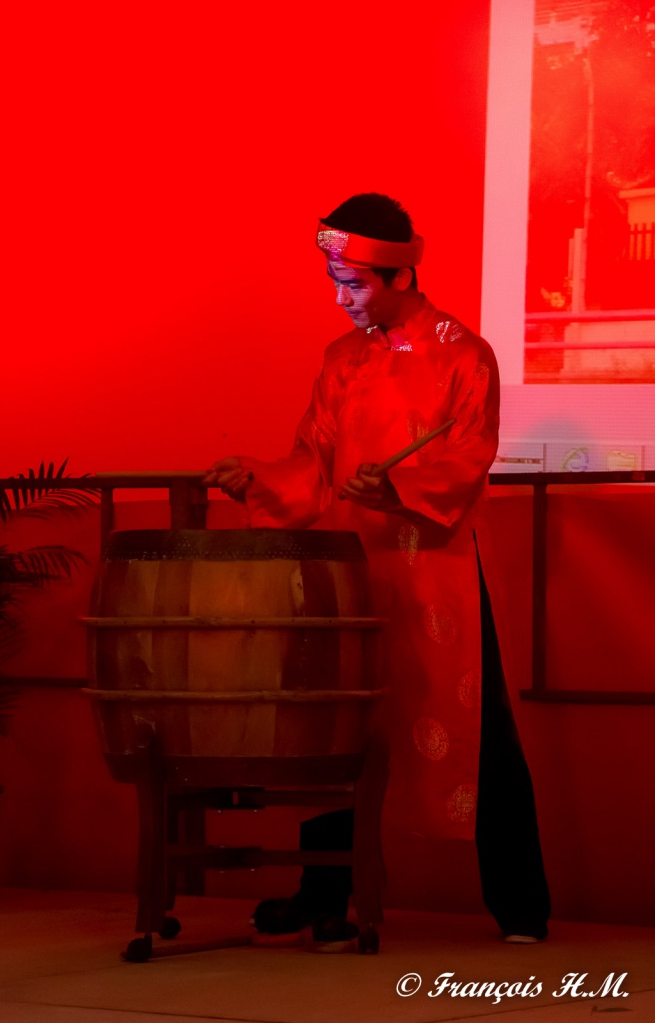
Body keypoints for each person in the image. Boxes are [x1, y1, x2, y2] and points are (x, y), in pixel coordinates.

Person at [202, 193, 550, 946]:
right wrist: (259, 478)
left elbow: (469, 456)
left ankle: (521, 904)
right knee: (340, 726)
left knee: (477, 727)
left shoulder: (464, 353)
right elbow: (314, 462)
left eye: (353, 284)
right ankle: (325, 889)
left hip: (438, 572)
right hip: (355, 570)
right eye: (336, 282)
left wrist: (398, 489)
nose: (341, 299)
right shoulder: (343, 359)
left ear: (401, 275)